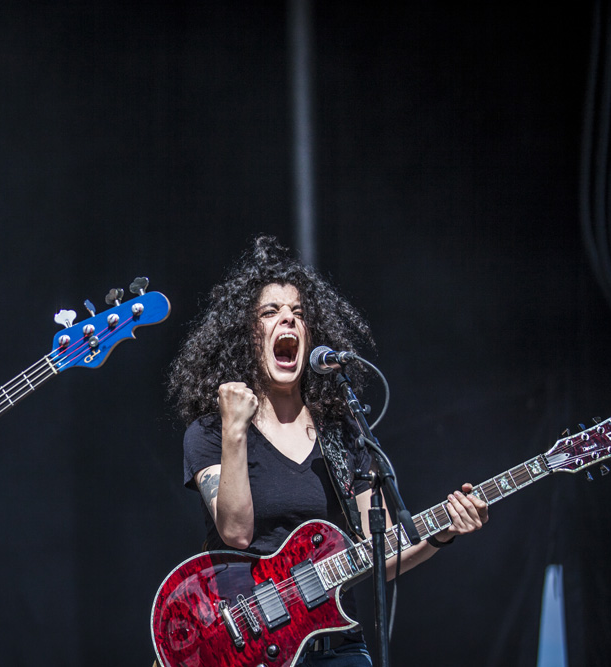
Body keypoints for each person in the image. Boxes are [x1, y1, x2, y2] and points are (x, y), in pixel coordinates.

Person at [166, 235, 489, 665]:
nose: (289, 319)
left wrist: (443, 531)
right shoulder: (212, 432)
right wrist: (235, 430)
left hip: (336, 646)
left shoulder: (343, 433)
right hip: (248, 650)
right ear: (246, 336)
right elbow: (236, 532)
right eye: (270, 312)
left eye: (298, 314)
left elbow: (380, 553)